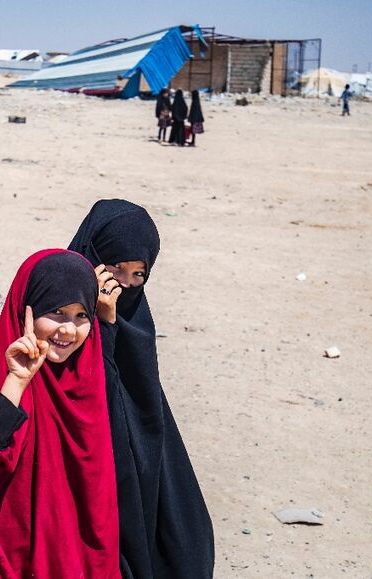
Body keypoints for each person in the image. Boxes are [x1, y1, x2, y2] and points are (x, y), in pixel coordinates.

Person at [0, 249, 120, 578]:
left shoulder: (87, 385)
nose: (68, 330)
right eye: (56, 312)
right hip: (10, 560)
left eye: (81, 316)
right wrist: (17, 381)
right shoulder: (5, 380)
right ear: (25, 311)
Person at [68, 199, 215, 579]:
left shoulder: (135, 319)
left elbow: (142, 405)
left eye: (139, 275)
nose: (128, 284)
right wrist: (100, 327)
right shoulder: (61, 315)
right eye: (117, 269)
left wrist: (112, 325)